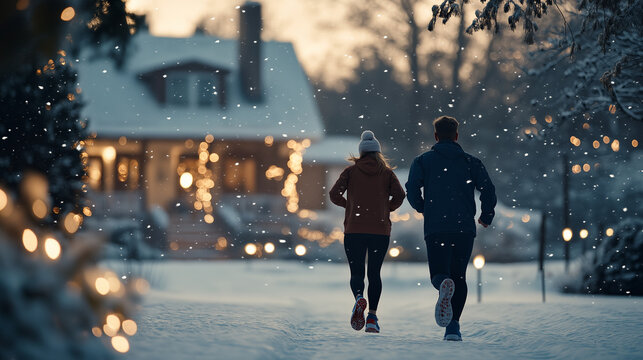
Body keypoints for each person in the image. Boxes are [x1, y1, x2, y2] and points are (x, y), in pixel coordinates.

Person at [405, 116, 496, 341]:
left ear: (436, 136)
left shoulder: (423, 161)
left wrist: (423, 208)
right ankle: (453, 327)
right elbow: (488, 189)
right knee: (460, 276)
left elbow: (411, 189)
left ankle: (442, 283)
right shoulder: (470, 162)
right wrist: (486, 215)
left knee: (439, 273)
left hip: (436, 227)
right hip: (463, 227)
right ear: (456, 136)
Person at [329, 130, 405, 333]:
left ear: (361, 153)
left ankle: (358, 298)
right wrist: (385, 208)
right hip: (380, 231)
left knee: (356, 272)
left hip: (354, 229)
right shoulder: (387, 173)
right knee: (374, 273)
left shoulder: (351, 172)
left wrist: (350, 206)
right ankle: (372, 317)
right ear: (378, 153)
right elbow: (400, 195)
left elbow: (333, 194)